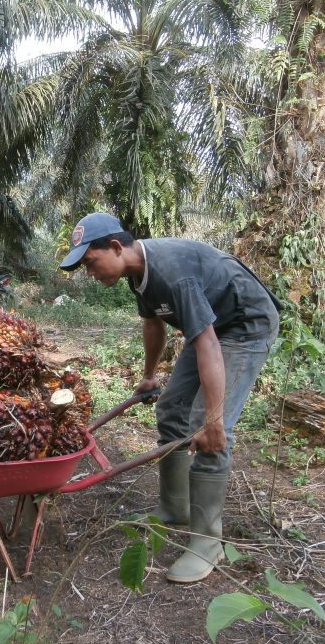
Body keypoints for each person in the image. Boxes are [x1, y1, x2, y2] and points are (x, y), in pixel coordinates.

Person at [59, 212, 281, 583]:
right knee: (171, 406)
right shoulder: (138, 274)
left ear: (115, 247)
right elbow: (154, 323)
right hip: (213, 325)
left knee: (208, 428)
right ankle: (175, 507)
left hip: (244, 324)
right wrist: (149, 376)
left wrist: (213, 420)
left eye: (91, 262)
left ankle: (207, 544)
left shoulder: (173, 273)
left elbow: (207, 342)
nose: (90, 273)